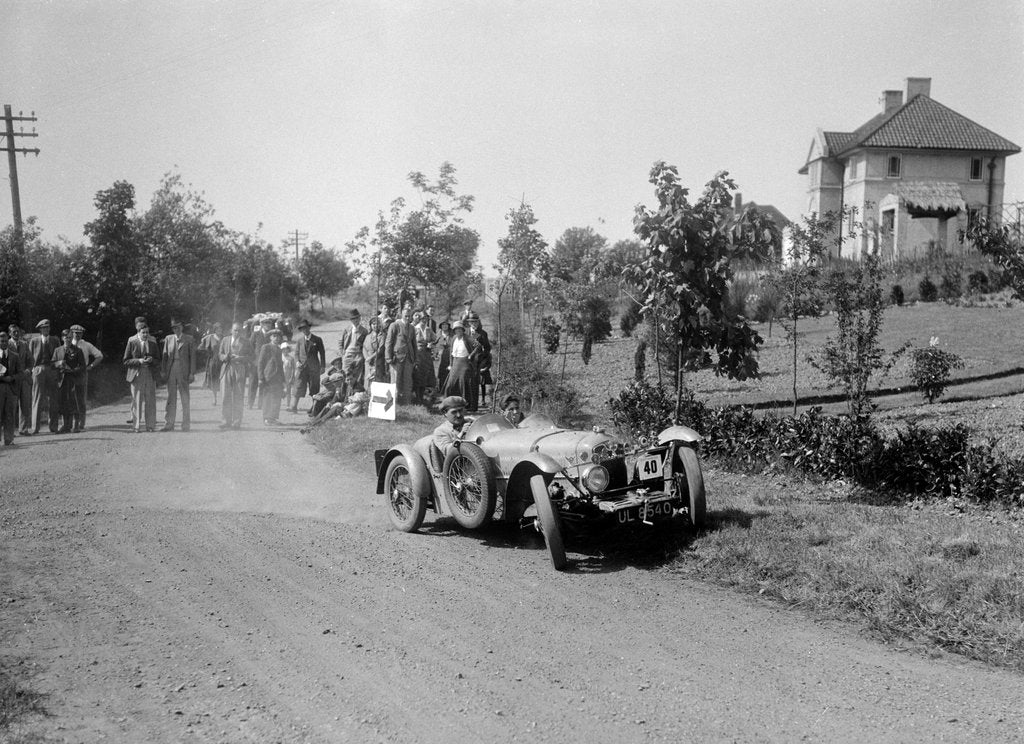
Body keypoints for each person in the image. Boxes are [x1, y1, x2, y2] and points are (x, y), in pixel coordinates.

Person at [160, 318, 197, 432]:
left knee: (185, 398)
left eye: (177, 327)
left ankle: (185, 425)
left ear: (182, 326)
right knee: (171, 397)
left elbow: (193, 358)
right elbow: (165, 357)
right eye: (173, 327)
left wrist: (191, 373)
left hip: (184, 371)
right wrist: (163, 371)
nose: (175, 329)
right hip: (171, 370)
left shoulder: (189, 339)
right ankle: (169, 424)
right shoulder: (168, 339)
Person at [123, 325, 159, 432]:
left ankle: (150, 426)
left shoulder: (152, 344)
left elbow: (158, 359)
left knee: (150, 400)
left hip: (149, 373)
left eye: (147, 332)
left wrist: (152, 359)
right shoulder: (132, 343)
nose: (145, 335)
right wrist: (138, 361)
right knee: (137, 400)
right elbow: (126, 361)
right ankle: (136, 426)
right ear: (138, 333)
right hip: (137, 374)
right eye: (143, 332)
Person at [28, 319, 61, 434]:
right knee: (37, 398)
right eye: (44, 328)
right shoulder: (34, 341)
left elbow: (59, 355)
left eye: (48, 327)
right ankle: (35, 428)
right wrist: (33, 369)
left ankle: (53, 426)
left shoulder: (55, 340)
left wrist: (58, 370)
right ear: (40, 329)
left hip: (52, 369)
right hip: (38, 369)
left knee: (53, 398)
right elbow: (29, 357)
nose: (46, 329)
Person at [218, 321, 253, 430]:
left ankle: (236, 422)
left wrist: (241, 358)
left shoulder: (246, 342)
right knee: (225, 396)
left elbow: (251, 356)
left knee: (238, 395)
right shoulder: (225, 340)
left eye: (239, 330)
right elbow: (220, 354)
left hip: (239, 368)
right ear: (231, 330)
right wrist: (225, 357)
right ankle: (225, 421)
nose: (236, 332)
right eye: (235, 330)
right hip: (227, 368)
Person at [69, 324, 103, 430]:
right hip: (69, 373)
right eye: (75, 333)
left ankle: (81, 422)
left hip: (82, 373)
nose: (78, 335)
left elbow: (99, 355)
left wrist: (91, 366)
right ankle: (69, 422)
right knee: (69, 397)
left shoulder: (86, 345)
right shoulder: (67, 343)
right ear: (71, 333)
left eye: (80, 333)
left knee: (81, 398)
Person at [53, 329, 86, 433]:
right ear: (62, 338)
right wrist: (59, 363)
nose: (68, 339)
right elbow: (52, 364)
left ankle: (76, 425)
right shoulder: (57, 350)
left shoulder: (77, 350)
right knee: (63, 402)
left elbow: (82, 366)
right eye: (66, 337)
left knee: (73, 401)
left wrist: (72, 370)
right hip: (61, 380)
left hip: (73, 379)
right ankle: (66, 425)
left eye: (70, 337)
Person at [384, 305, 417, 405]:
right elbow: (388, 342)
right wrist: (388, 357)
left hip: (409, 358)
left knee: (408, 381)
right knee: (395, 382)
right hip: (396, 358)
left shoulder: (411, 327)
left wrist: (415, 358)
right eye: (405, 316)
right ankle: (393, 404)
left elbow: (414, 344)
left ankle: (407, 403)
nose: (407, 318)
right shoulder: (395, 325)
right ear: (401, 314)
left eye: (409, 316)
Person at [291, 319, 325, 413]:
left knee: (314, 388)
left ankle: (315, 408)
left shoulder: (317, 339)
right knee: (298, 386)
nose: (304, 330)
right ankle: (294, 406)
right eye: (302, 329)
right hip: (302, 368)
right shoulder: (299, 341)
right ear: (301, 330)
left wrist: (322, 366)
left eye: (306, 328)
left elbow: (322, 353)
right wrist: (297, 362)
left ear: (309, 328)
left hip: (314, 369)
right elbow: (296, 354)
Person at [7, 324, 32, 435]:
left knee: (25, 404)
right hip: (12, 380)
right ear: (9, 333)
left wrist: (28, 370)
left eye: (17, 331)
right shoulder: (5, 344)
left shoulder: (24, 344)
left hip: (24, 378)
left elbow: (31, 360)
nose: (16, 333)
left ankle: (23, 429)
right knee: (11, 406)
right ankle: (10, 431)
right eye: (14, 332)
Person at [258, 328, 286, 425]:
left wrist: (283, 380)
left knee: (276, 398)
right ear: (270, 337)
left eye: (278, 337)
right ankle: (266, 418)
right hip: (268, 377)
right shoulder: (266, 347)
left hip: (277, 378)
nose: (276, 338)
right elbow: (261, 363)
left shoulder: (279, 349)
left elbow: (281, 365)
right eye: (274, 336)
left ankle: (273, 418)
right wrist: (261, 378)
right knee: (267, 398)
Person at [442, 321, 476, 402]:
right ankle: (450, 403)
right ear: (454, 331)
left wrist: (471, 355)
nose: (458, 331)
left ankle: (464, 403)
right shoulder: (454, 338)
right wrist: (450, 364)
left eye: (460, 329)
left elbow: (478, 346)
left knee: (462, 383)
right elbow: (451, 352)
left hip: (464, 362)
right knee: (450, 383)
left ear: (463, 330)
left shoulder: (467, 338)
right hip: (455, 362)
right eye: (456, 330)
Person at [337, 309, 368, 397]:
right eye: (353, 319)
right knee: (345, 375)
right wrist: (342, 353)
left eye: (357, 318)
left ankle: (355, 396)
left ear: (360, 318)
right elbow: (340, 342)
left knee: (357, 376)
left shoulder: (364, 331)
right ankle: (343, 396)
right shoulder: (347, 330)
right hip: (348, 354)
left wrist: (363, 355)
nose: (355, 320)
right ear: (350, 320)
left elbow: (365, 345)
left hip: (358, 354)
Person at [0, 329, 23, 445]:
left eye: (5, 341)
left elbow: (20, 372)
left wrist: (12, 378)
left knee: (10, 414)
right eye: (1, 341)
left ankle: (9, 439)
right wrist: (3, 379)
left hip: (11, 388)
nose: (3, 343)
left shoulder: (15, 356)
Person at [466, 312, 492, 410]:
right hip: (466, 360)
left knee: (476, 383)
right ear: (469, 323)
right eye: (472, 322)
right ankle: (467, 403)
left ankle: (474, 405)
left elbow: (488, 348)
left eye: (476, 322)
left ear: (478, 322)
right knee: (467, 382)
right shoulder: (465, 332)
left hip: (478, 361)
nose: (474, 324)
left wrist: (483, 358)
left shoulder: (483, 333)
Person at [247, 318, 273, 409]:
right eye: (265, 323)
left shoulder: (272, 336)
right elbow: (250, 347)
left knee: (264, 384)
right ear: (261, 324)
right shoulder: (256, 334)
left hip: (267, 365)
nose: (267, 325)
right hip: (255, 364)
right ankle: (250, 403)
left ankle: (260, 404)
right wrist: (251, 360)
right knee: (252, 383)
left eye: (269, 323)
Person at [412, 311, 437, 404]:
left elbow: (436, 339)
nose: (424, 320)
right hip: (417, 354)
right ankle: (417, 397)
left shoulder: (428, 329)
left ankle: (423, 397)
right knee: (417, 375)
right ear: (419, 319)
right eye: (422, 319)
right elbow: (410, 341)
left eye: (426, 319)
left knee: (425, 376)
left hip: (426, 355)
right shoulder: (415, 329)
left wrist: (431, 343)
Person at [199, 322, 223, 405]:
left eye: (221, 329)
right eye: (218, 329)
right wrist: (203, 340)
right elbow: (200, 347)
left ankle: (224, 398)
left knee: (223, 380)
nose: (220, 330)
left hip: (223, 362)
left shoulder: (225, 338)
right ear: (215, 330)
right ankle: (215, 398)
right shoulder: (210, 338)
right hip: (213, 361)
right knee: (213, 379)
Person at [361, 316, 385, 391]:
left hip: (377, 361)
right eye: (373, 324)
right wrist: (366, 358)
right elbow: (364, 348)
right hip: (368, 362)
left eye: (377, 324)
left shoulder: (382, 336)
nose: (375, 326)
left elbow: (380, 349)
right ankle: (367, 397)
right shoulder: (368, 336)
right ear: (370, 325)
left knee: (376, 380)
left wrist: (371, 357)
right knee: (368, 380)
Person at [435, 319, 452, 391]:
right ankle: (440, 388)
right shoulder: (438, 335)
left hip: (449, 356)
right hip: (439, 356)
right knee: (440, 372)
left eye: (446, 325)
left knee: (448, 371)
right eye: (443, 325)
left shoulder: (452, 335)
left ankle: (448, 388)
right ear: (441, 326)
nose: (444, 326)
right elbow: (434, 344)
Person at [281, 340, 297, 413]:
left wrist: (292, 377)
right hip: (281, 376)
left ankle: (288, 405)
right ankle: (278, 405)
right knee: (280, 390)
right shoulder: (280, 357)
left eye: (286, 349)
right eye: (283, 349)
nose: (285, 351)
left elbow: (293, 368)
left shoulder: (291, 358)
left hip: (288, 375)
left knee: (288, 391)